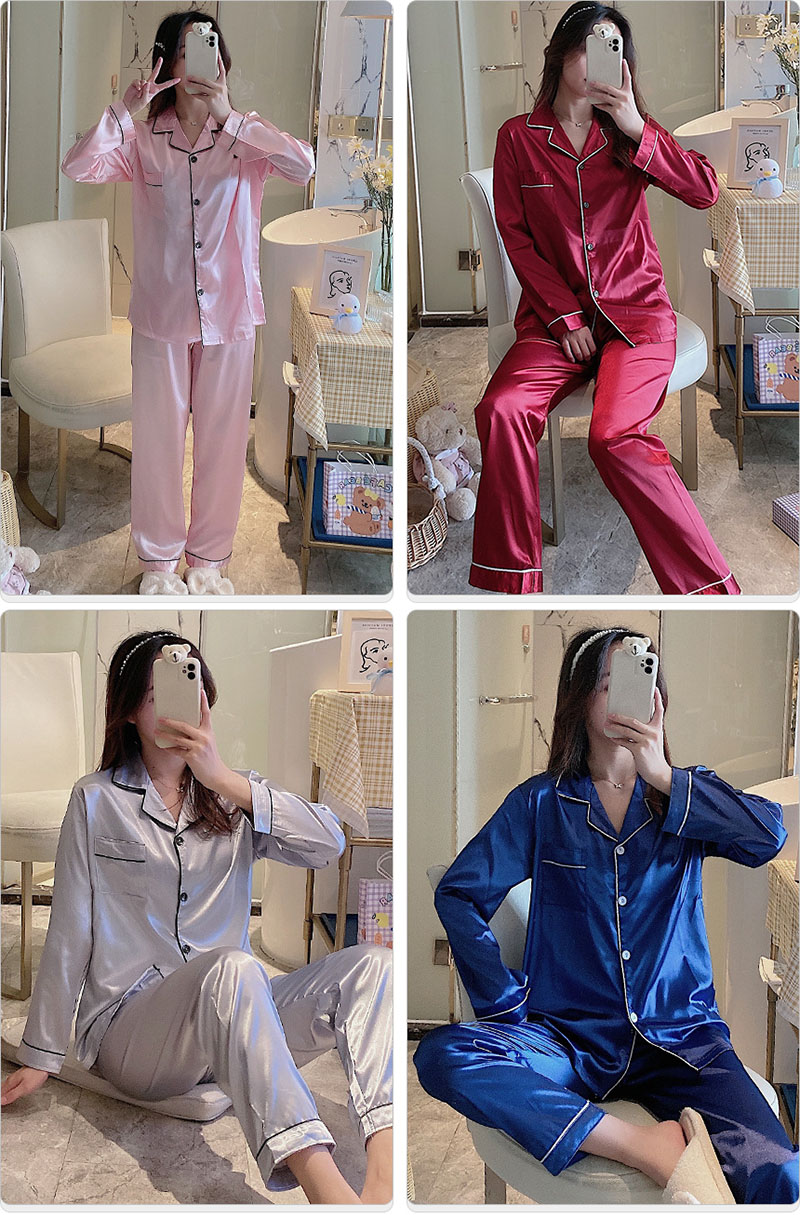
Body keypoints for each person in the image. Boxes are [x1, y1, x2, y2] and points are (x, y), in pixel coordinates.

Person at [1, 631, 392, 1205]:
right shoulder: (96, 800)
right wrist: (41, 1053)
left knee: (375, 967)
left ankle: (383, 1181)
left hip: (235, 1017)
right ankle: (329, 1192)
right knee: (233, 967)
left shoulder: (234, 795)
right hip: (134, 1032)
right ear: (130, 710)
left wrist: (224, 779)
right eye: (159, 693)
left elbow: (329, 843)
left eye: (192, 689)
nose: (182, 706)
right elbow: (70, 931)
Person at [414, 626, 797, 1203]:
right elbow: (460, 893)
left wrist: (662, 774)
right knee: (444, 1055)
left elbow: (768, 835)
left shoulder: (684, 797)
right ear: (580, 697)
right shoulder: (540, 803)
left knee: (781, 1175)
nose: (626, 696)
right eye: (609, 682)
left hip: (682, 1039)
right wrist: (504, 1002)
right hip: (568, 1040)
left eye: (639, 680)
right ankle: (646, 1146)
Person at [469, 1, 740, 596]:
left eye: (613, 46)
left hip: (636, 313)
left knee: (613, 436)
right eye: (592, 41)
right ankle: (512, 578)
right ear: (563, 50)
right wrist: (564, 317)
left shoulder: (629, 133)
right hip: (554, 321)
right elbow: (517, 238)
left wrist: (639, 127)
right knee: (501, 409)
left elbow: (704, 191)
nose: (600, 56)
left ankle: (709, 589)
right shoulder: (518, 138)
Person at [61, 12, 315, 596]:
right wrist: (126, 108)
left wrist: (229, 116)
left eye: (211, 46)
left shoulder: (246, 137)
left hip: (230, 315)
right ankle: (158, 560)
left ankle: (208, 558)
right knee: (157, 442)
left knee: (222, 443)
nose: (204, 59)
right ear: (167, 63)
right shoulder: (143, 140)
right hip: (161, 316)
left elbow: (304, 166)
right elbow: (78, 165)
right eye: (189, 48)